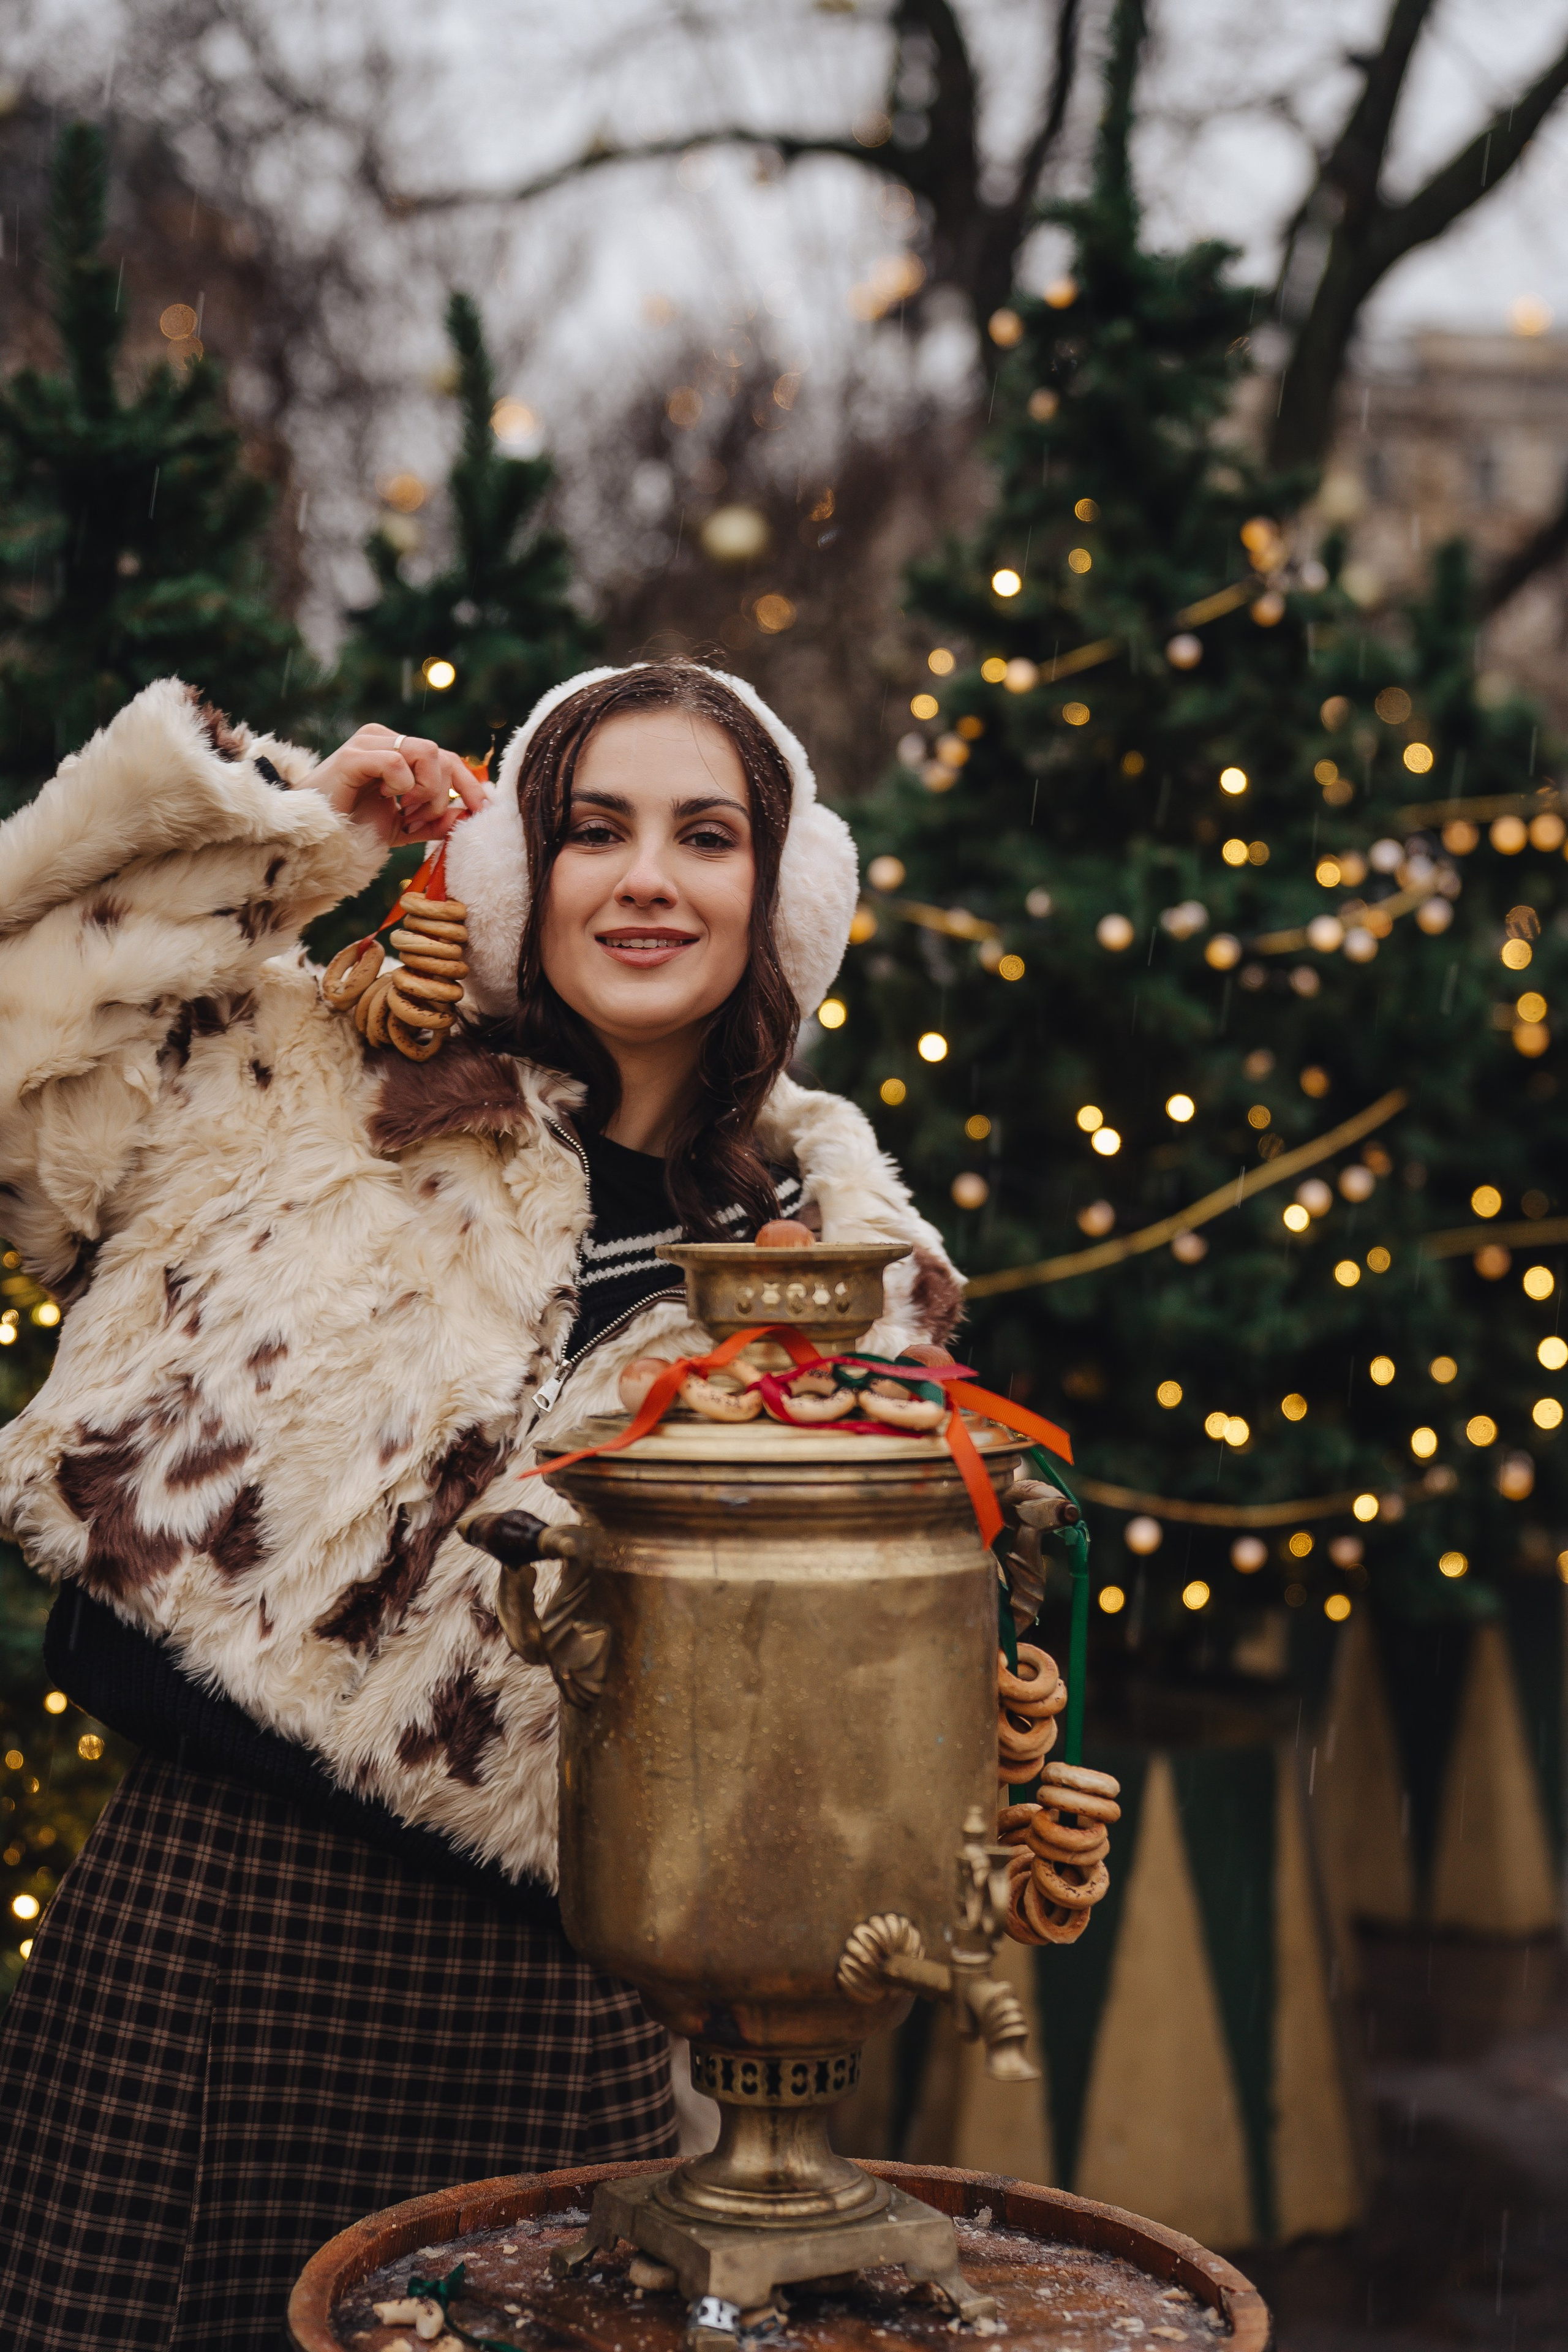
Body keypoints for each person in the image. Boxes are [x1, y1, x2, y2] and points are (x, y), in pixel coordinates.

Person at [0, 658, 964, 2349]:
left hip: (553, 2022)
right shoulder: (303, 1087)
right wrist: (286, 834)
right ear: (524, 874)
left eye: (707, 835)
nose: (648, 876)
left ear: (779, 892)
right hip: (201, 1951)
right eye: (593, 829)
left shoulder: (838, 1281)